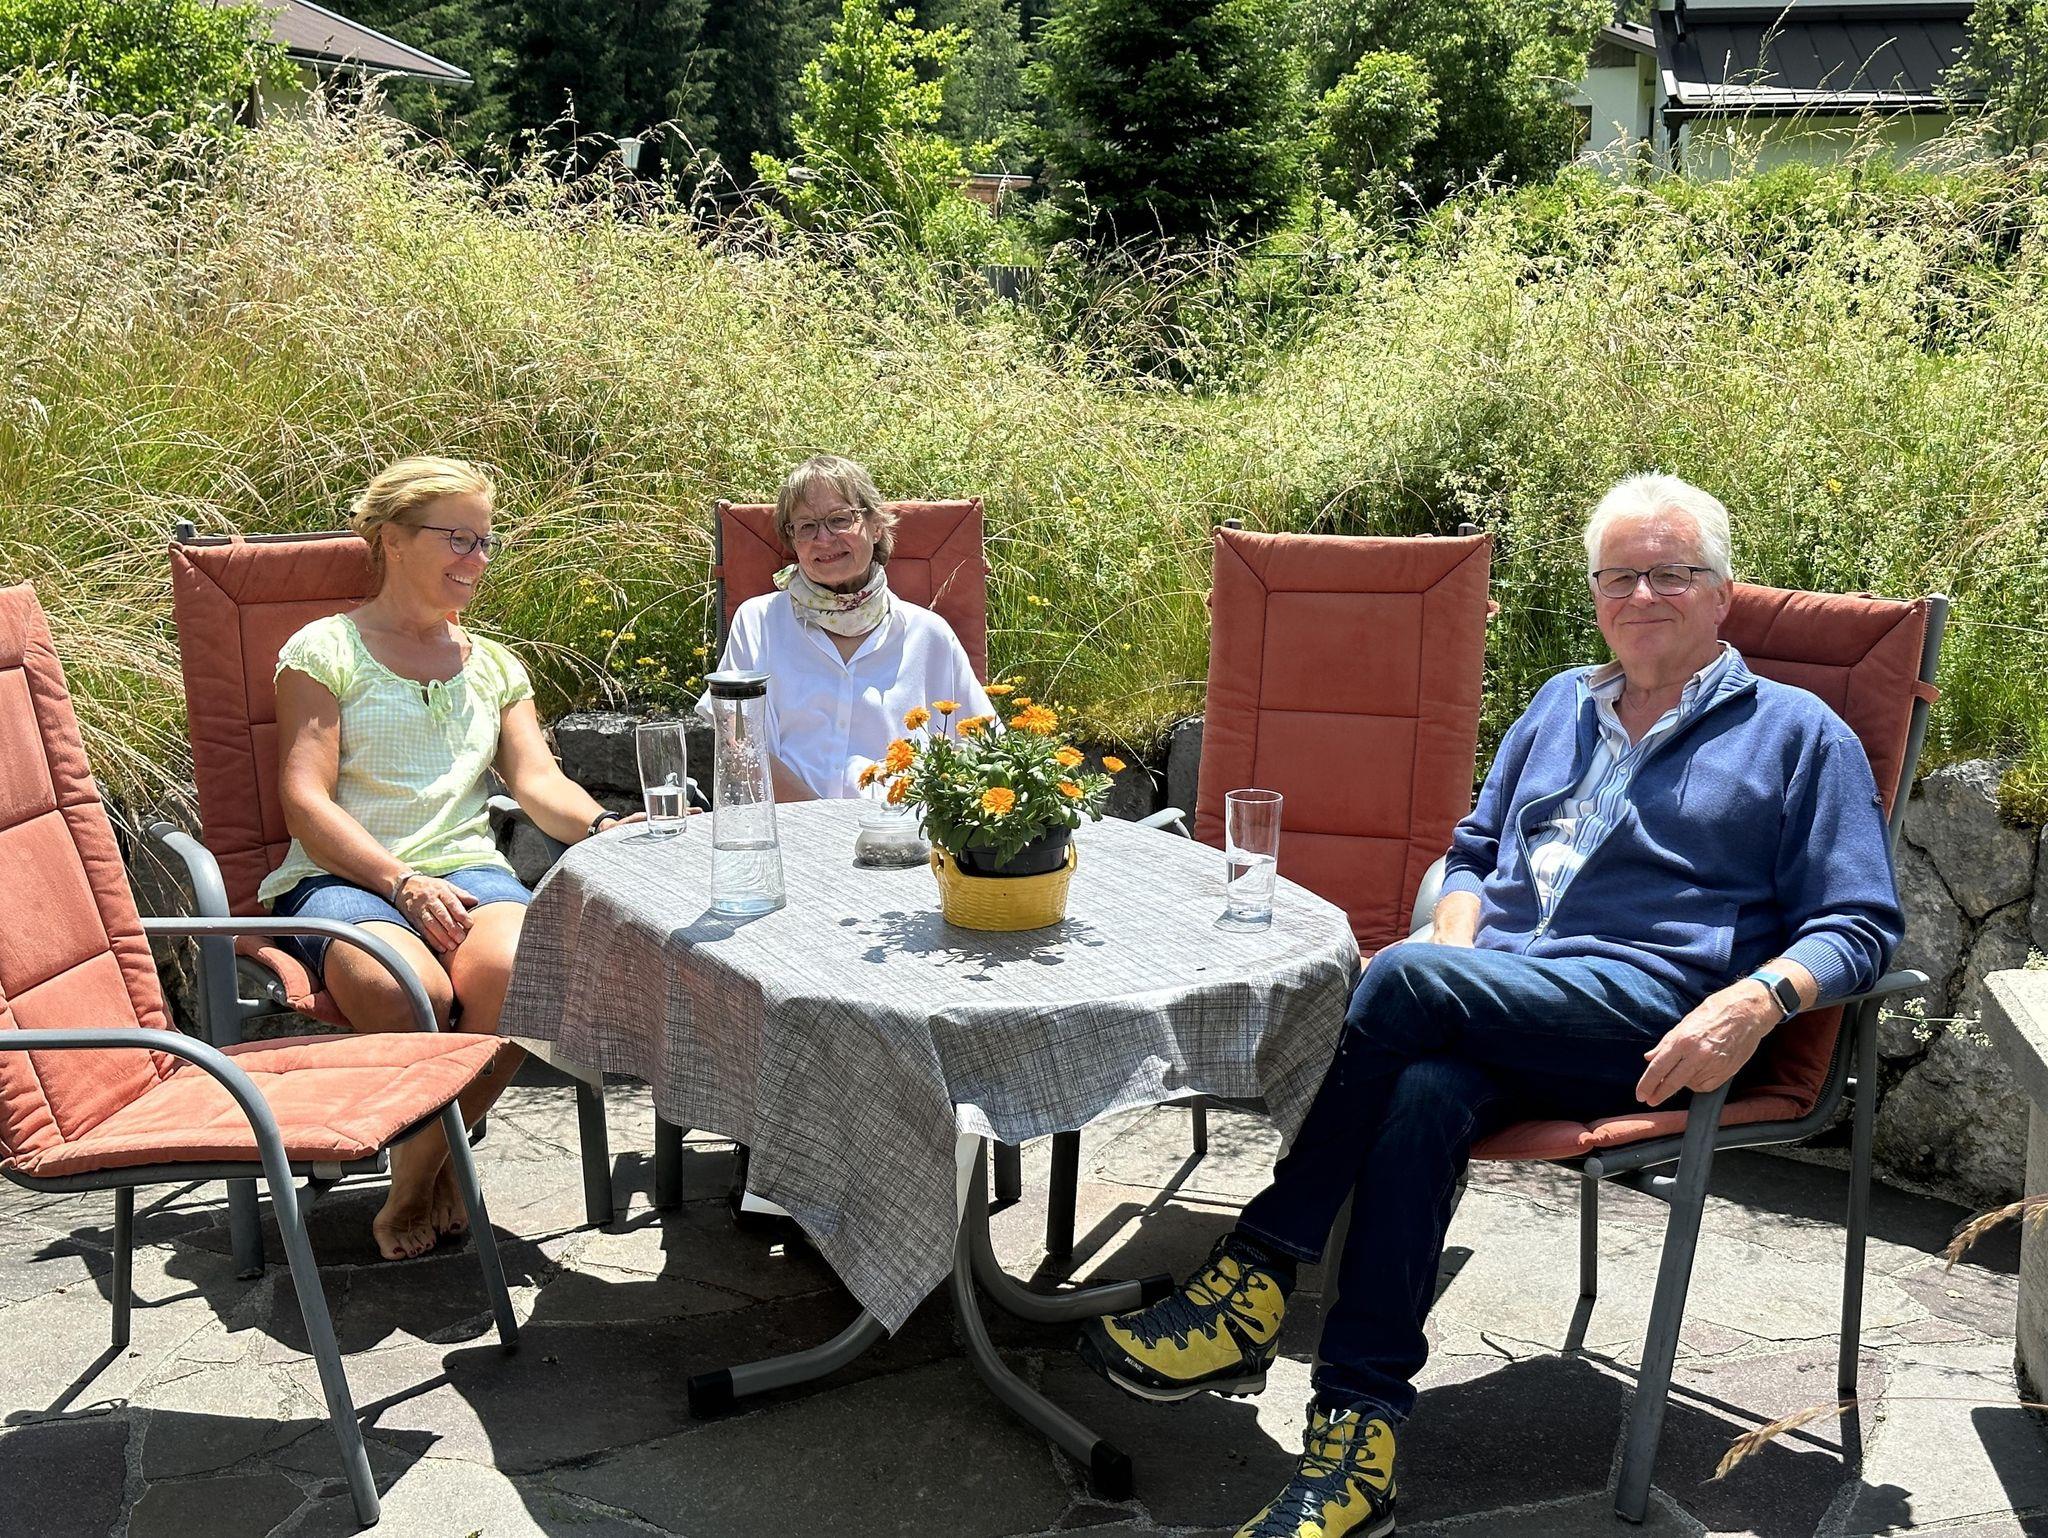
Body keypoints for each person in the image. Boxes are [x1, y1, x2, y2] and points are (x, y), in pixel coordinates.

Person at [1075, 473, 1905, 1538]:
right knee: (1422, 1090)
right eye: (1618, 576)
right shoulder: (1559, 703)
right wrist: (1459, 945)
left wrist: (1753, 1001)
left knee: (1399, 974)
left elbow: (1859, 923)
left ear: (1721, 592)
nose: (1641, 594)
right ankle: (1356, 1441)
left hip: (1651, 1018)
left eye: (1671, 573)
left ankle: (1257, 1270)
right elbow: (1471, 852)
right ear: (1594, 593)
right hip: (1502, 999)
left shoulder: (1797, 735)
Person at [265, 456, 639, 1261]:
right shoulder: (324, 651)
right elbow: (306, 802)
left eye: (485, 542)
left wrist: (606, 825)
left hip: (468, 873)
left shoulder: (494, 665)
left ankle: (418, 1174)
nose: (477, 558)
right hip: (343, 875)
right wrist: (400, 881)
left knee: (524, 973)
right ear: (392, 539)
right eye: (458, 539)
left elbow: (538, 781)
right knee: (410, 991)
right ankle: (442, 1165)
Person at [704, 455, 992, 798]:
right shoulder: (757, 623)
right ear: (792, 540)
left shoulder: (929, 635)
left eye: (839, 520)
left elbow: (980, 750)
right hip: (788, 824)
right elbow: (739, 746)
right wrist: (823, 821)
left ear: (876, 526)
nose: (824, 539)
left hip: (900, 826)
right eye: (806, 526)